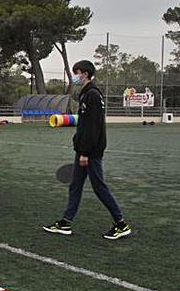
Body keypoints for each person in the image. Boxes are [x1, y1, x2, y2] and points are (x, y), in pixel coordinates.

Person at [43, 61, 132, 240]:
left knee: (99, 187)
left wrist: (85, 153)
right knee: (75, 185)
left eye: (76, 73)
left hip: (90, 151)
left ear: (84, 74)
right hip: (85, 149)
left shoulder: (91, 95)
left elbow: (92, 127)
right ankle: (66, 222)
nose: (73, 76)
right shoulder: (87, 94)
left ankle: (121, 224)